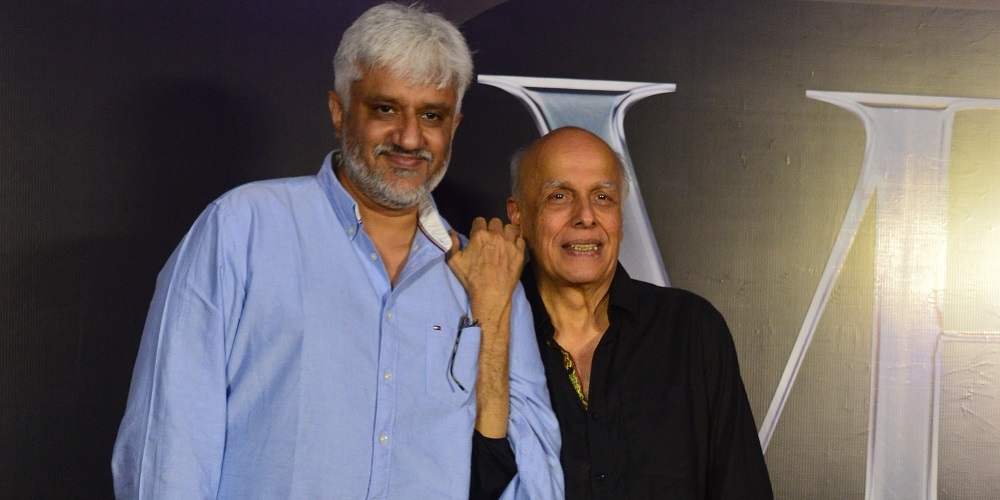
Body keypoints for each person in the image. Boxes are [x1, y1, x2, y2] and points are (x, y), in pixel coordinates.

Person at [111, 4, 562, 499]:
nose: (409, 138)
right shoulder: (242, 228)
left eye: (431, 115)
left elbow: (531, 468)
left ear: (453, 126)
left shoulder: (487, 276)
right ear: (339, 110)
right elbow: (169, 441)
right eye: (385, 109)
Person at [496, 126, 773, 498]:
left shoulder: (690, 331)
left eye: (603, 197)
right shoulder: (485, 335)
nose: (585, 216)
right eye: (559, 196)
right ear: (519, 215)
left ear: (620, 217)